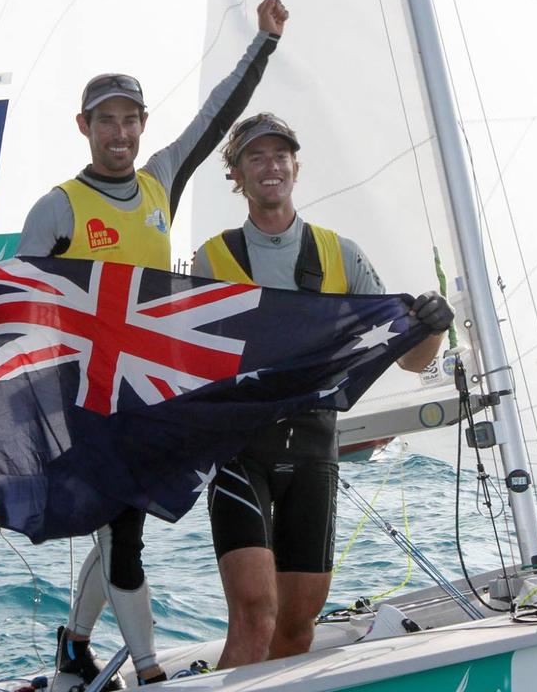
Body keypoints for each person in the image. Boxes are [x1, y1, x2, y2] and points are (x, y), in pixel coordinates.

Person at [0, 0, 290, 686]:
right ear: (85, 127)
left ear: (141, 126)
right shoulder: (59, 207)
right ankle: (148, 671)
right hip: (87, 396)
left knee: (120, 518)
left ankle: (75, 642)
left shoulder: (161, 180)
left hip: (152, 389)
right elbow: (17, 294)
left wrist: (264, 42)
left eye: (130, 120)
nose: (119, 132)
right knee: (124, 535)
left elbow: (217, 116)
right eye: (106, 119)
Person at [192, 113, 454, 668]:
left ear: (295, 166)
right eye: (256, 157)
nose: (271, 166)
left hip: (314, 449)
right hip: (241, 450)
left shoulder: (343, 254)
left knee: (295, 624)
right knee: (255, 614)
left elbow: (411, 359)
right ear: (236, 174)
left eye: (280, 155)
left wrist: (432, 325)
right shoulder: (212, 259)